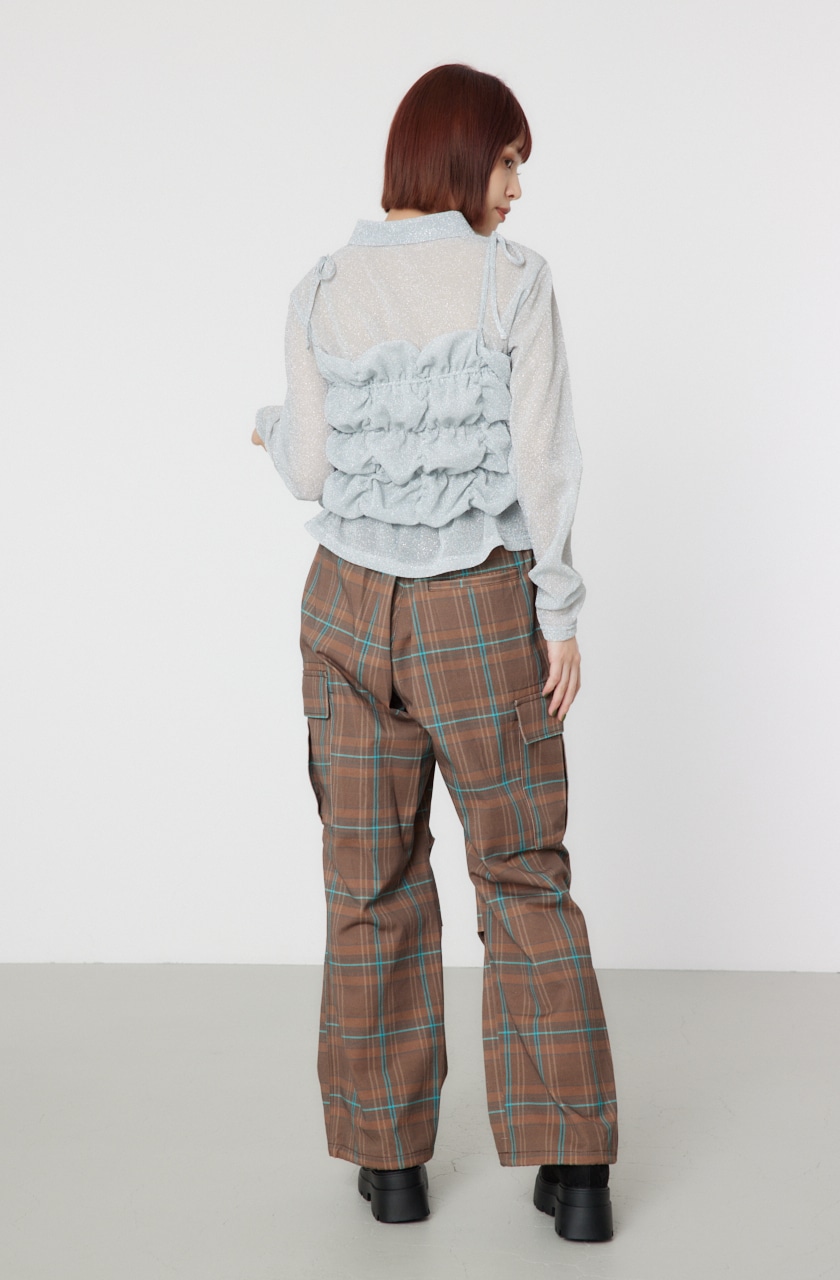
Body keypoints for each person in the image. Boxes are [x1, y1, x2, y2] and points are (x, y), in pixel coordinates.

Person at [252, 63, 618, 1243]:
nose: (515, 187)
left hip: (344, 608)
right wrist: (559, 611)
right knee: (521, 873)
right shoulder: (513, 281)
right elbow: (544, 461)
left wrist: (266, 426)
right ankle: (575, 1168)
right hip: (476, 609)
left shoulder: (320, 287)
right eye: (506, 160)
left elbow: (311, 470)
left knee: (368, 880)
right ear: (456, 155)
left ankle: (390, 1160)